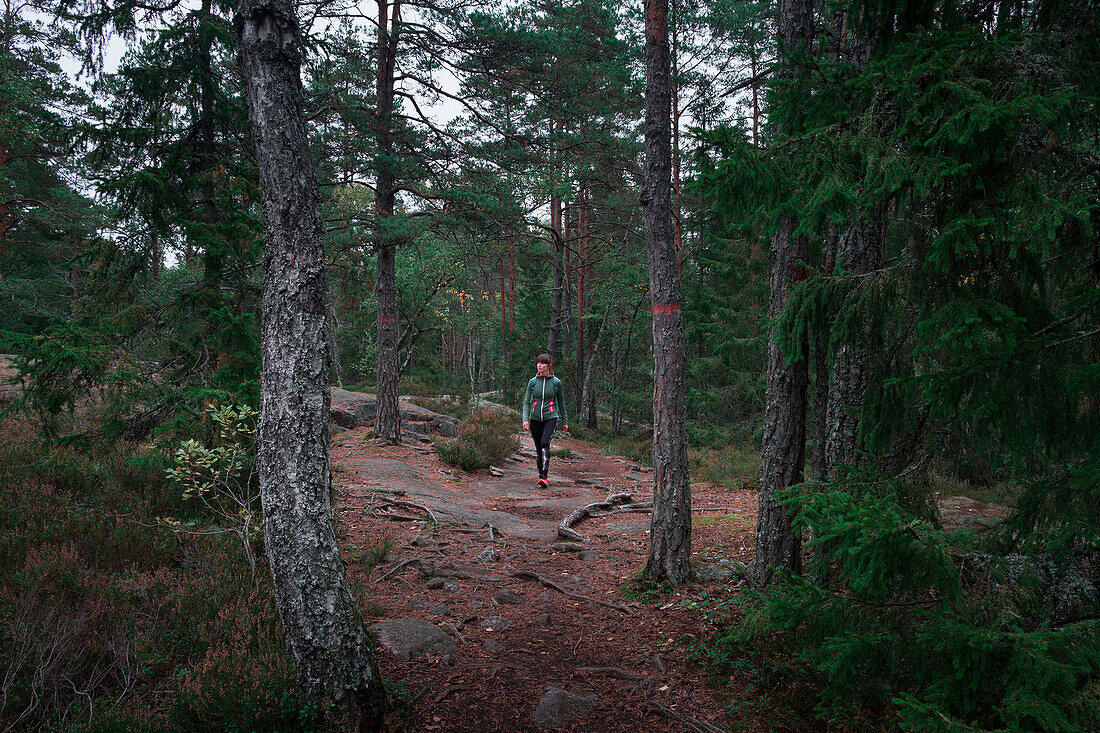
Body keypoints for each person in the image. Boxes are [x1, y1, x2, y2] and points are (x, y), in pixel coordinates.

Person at [522, 354, 568, 488]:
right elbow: (526, 402)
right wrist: (525, 419)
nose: (539, 365)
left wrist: (565, 421)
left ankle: (544, 477)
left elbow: (561, 402)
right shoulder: (533, 382)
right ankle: (540, 476)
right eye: (538, 363)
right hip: (535, 419)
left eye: (542, 363)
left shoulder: (556, 383)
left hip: (551, 418)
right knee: (538, 449)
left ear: (549, 366)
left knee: (544, 443)